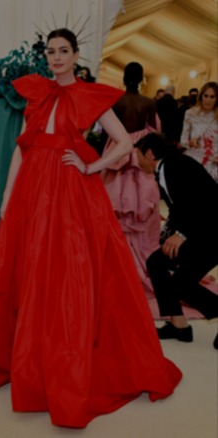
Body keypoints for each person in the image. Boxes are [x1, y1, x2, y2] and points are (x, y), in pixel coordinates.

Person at [0, 28, 181, 428]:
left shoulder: (88, 95)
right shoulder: (38, 94)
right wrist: (6, 197)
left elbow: (124, 142)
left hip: (70, 190)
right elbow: (23, 147)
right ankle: (30, 358)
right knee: (29, 267)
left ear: (75, 55)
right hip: (33, 188)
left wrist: (91, 166)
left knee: (69, 268)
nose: (56, 57)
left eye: (63, 51)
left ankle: (65, 357)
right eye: (51, 51)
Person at [136, 133, 218, 349]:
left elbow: (203, 203)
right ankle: (178, 324)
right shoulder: (166, 168)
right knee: (156, 262)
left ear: (149, 154)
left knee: (180, 285)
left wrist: (181, 234)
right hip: (200, 232)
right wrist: (169, 234)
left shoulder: (177, 166)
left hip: (212, 234)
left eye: (138, 155)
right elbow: (180, 207)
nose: (137, 161)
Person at [100, 62, 161, 297]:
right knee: (137, 203)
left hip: (117, 149)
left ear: (125, 78)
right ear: (142, 78)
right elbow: (155, 132)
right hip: (139, 152)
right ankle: (138, 252)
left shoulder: (117, 100)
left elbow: (108, 130)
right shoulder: (148, 102)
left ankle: (114, 252)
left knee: (113, 202)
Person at [180, 82, 218, 181]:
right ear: (201, 96)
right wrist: (190, 143)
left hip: (213, 164)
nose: (208, 100)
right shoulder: (190, 113)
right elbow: (183, 141)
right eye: (206, 96)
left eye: (212, 97)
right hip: (194, 160)